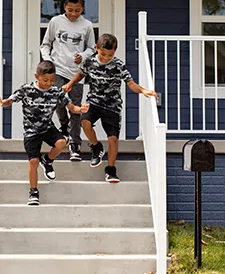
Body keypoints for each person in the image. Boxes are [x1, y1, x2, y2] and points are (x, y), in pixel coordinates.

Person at [63, 33, 157, 183]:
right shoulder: (89, 62)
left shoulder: (119, 66)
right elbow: (81, 74)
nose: (106, 57)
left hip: (112, 105)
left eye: (110, 55)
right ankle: (96, 146)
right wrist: (69, 84)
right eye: (103, 54)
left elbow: (131, 83)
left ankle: (111, 169)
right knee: (84, 122)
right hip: (93, 102)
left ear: (115, 51)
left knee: (113, 138)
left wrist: (144, 90)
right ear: (96, 48)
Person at [0, 60, 89, 206]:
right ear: (36, 77)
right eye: (45, 80)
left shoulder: (56, 91)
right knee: (33, 161)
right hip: (31, 131)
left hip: (47, 128)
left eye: (52, 80)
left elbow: (71, 107)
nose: (49, 83)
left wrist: (80, 109)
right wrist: (2, 102)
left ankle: (48, 160)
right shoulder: (27, 90)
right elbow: (10, 100)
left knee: (62, 142)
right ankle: (33, 192)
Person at [40, 0, 95, 162]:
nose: (73, 14)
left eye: (77, 10)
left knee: (76, 108)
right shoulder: (56, 22)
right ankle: (64, 125)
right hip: (57, 70)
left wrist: (83, 56)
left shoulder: (87, 25)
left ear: (82, 8)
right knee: (58, 101)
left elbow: (92, 48)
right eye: (70, 9)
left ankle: (75, 145)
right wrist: (48, 62)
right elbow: (45, 45)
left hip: (76, 73)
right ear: (65, 7)